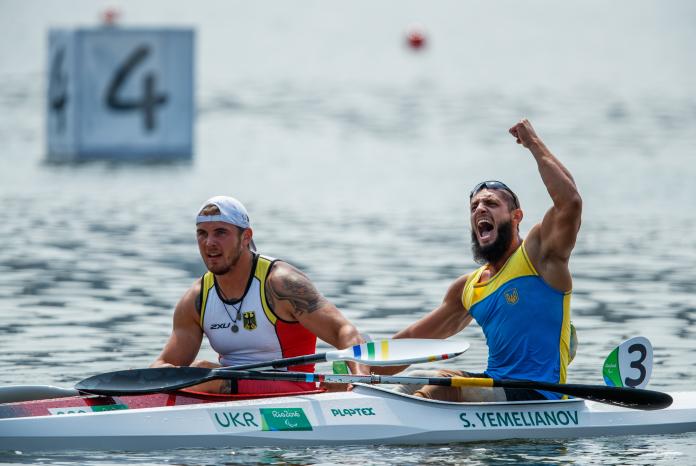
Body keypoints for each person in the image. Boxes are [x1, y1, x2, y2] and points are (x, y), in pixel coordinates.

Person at [391, 119, 582, 402]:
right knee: (414, 381)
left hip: (540, 396)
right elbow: (413, 340)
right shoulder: (467, 288)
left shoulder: (539, 256)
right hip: (498, 387)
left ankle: (409, 433)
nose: (480, 208)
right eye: (474, 207)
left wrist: (533, 144)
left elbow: (570, 202)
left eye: (491, 203)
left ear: (516, 217)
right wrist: (356, 370)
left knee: (440, 387)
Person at [151, 195, 364, 394]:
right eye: (202, 233)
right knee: (176, 375)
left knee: (203, 372)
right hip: (227, 393)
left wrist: (360, 379)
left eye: (220, 232)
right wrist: (145, 379)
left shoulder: (281, 284)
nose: (209, 243)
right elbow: (165, 363)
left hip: (294, 390)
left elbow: (343, 331)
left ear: (246, 237)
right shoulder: (196, 299)